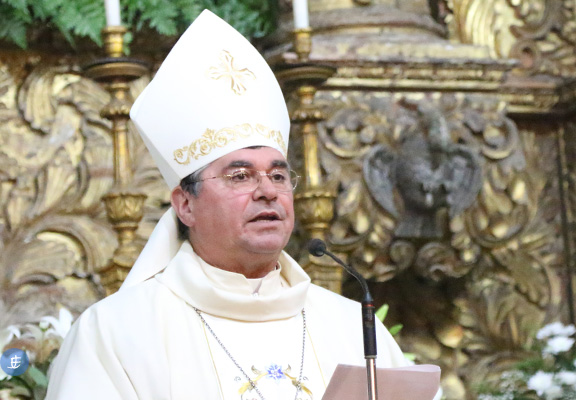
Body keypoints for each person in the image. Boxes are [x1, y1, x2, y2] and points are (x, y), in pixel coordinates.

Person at [45, 10, 410, 400]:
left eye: (278, 175)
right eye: (240, 176)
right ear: (185, 204)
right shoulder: (116, 332)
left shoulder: (352, 326)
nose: (267, 190)